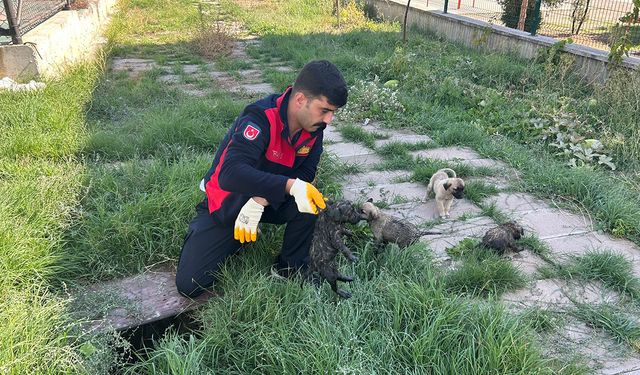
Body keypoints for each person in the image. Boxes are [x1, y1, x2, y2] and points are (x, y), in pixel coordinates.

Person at [175, 60, 349, 298]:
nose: (329, 120)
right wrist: (288, 186)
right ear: (300, 100)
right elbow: (230, 174)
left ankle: (290, 268)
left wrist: (261, 200)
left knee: (310, 200)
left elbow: (306, 174)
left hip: (267, 198)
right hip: (229, 199)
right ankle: (226, 235)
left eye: (333, 113)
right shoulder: (259, 118)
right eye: (325, 110)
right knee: (190, 284)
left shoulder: (314, 128)